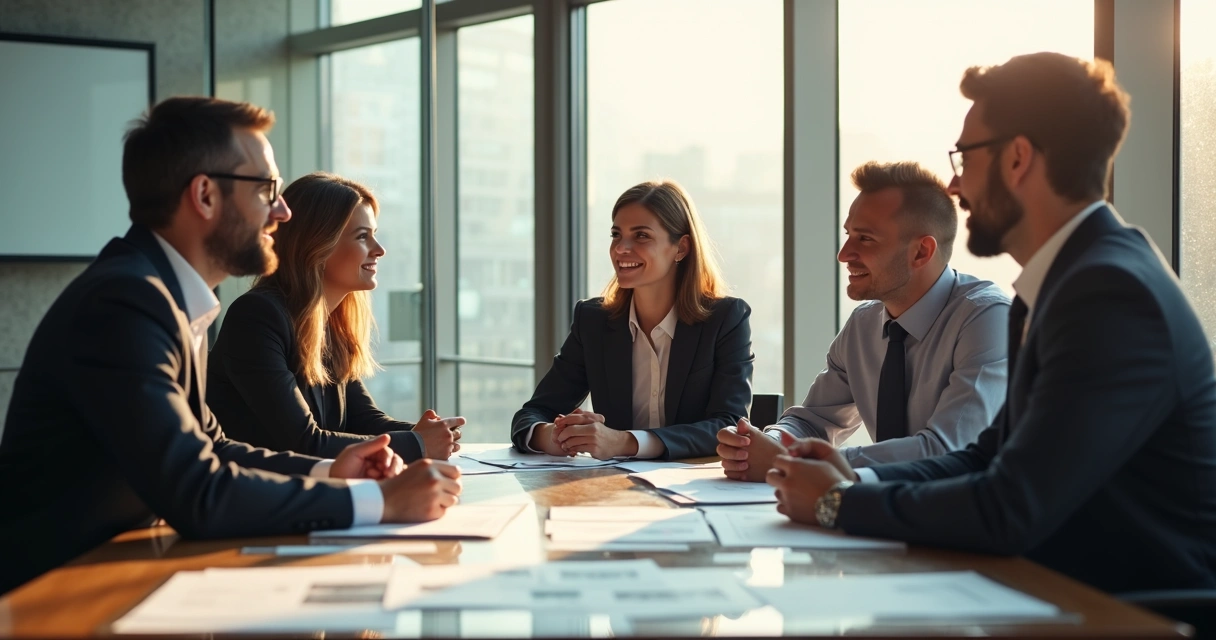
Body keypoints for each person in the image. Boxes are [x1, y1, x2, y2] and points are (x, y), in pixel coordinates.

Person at [766, 52, 1216, 593]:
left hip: (1135, 610)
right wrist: (852, 476)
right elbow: (987, 456)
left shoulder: (1108, 293)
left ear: (1018, 158)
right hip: (1070, 590)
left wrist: (838, 502)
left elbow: (1011, 505)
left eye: (965, 159)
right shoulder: (1067, 282)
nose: (955, 187)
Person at [0, 97, 461, 595]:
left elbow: (214, 449)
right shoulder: (126, 302)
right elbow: (197, 489)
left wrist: (333, 470)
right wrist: (380, 502)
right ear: (204, 196)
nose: (282, 211)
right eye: (266, 190)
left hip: (111, 574)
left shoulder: (167, 299)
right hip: (48, 595)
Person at [716, 161, 1009, 481]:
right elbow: (812, 421)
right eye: (848, 235)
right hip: (887, 503)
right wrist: (762, 443)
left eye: (865, 239)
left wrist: (805, 460)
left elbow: (946, 449)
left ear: (921, 252)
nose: (844, 254)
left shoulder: (987, 319)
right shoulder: (864, 323)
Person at [208, 172, 463, 462]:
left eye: (374, 234)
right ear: (317, 244)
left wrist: (430, 434)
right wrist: (417, 443)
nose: (379, 250)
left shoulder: (330, 323)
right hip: (259, 487)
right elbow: (304, 442)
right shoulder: (256, 318)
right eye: (362, 236)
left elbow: (364, 420)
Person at [511, 180, 753, 460]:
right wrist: (557, 436)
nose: (621, 248)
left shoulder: (726, 319)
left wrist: (625, 442)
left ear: (681, 248)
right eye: (616, 235)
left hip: (694, 483)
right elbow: (531, 415)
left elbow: (728, 425)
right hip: (614, 483)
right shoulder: (593, 321)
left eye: (641, 236)